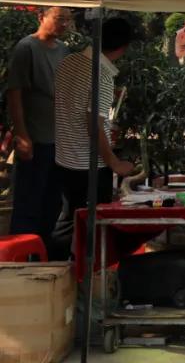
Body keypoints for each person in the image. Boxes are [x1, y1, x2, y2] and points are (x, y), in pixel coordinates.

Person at [53, 17, 136, 252]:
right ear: (123, 48)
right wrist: (115, 162)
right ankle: (84, 270)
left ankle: (59, 265)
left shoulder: (68, 61)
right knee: (92, 226)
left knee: (68, 220)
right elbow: (93, 125)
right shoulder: (101, 74)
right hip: (88, 163)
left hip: (63, 155)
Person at [5, 6, 71, 248]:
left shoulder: (63, 50)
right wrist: (22, 134)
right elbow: (15, 93)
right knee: (28, 200)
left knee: (52, 201)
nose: (64, 24)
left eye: (67, 20)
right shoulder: (27, 48)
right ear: (41, 17)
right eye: (59, 19)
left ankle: (44, 251)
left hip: (59, 138)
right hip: (36, 136)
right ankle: (21, 253)